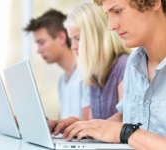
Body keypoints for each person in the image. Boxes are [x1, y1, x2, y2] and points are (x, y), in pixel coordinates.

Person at [57, 0, 166, 149]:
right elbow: (126, 116)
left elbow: (125, 131)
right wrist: (89, 128)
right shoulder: (133, 65)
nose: (111, 26)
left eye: (118, 11)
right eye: (108, 14)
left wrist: (127, 133)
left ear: (153, 3)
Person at [48, 2, 131, 133]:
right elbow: (96, 124)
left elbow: (126, 118)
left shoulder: (124, 65)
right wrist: (76, 124)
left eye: (78, 38)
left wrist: (85, 126)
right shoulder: (94, 75)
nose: (73, 47)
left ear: (97, 37)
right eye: (71, 40)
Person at [24, 9, 90, 120]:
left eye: (42, 43)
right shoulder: (62, 80)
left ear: (61, 37)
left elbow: (89, 125)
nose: (38, 51)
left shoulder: (87, 72)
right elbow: (62, 124)